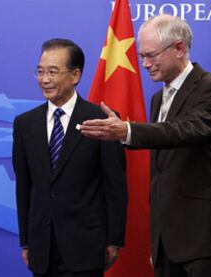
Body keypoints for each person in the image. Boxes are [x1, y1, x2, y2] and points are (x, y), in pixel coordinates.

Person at [80, 14, 211, 277]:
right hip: (166, 240)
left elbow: (184, 130)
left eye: (151, 55)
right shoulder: (157, 99)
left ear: (179, 48)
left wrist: (128, 130)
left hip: (203, 237)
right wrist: (158, 241)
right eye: (142, 56)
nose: (144, 64)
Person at [13, 38, 128, 277]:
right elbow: (24, 187)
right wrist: (26, 240)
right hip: (42, 248)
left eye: (53, 72)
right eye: (40, 71)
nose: (44, 79)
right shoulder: (25, 124)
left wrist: (114, 240)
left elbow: (115, 186)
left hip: (87, 247)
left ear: (75, 75)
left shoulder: (101, 120)